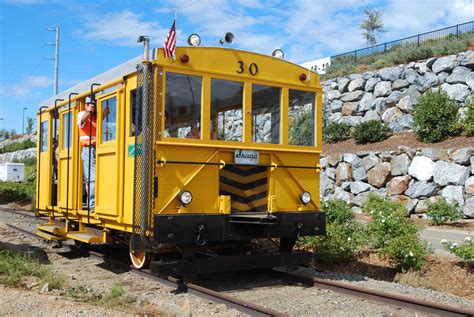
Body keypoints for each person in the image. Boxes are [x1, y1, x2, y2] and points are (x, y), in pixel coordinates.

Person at [77, 96, 96, 210]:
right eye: (89, 104)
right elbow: (82, 120)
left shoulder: (95, 118)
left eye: (93, 104)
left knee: (94, 177)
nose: (91, 106)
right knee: (92, 178)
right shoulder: (81, 114)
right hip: (88, 149)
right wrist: (88, 111)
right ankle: (92, 204)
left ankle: (92, 202)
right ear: (85, 105)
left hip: (97, 149)